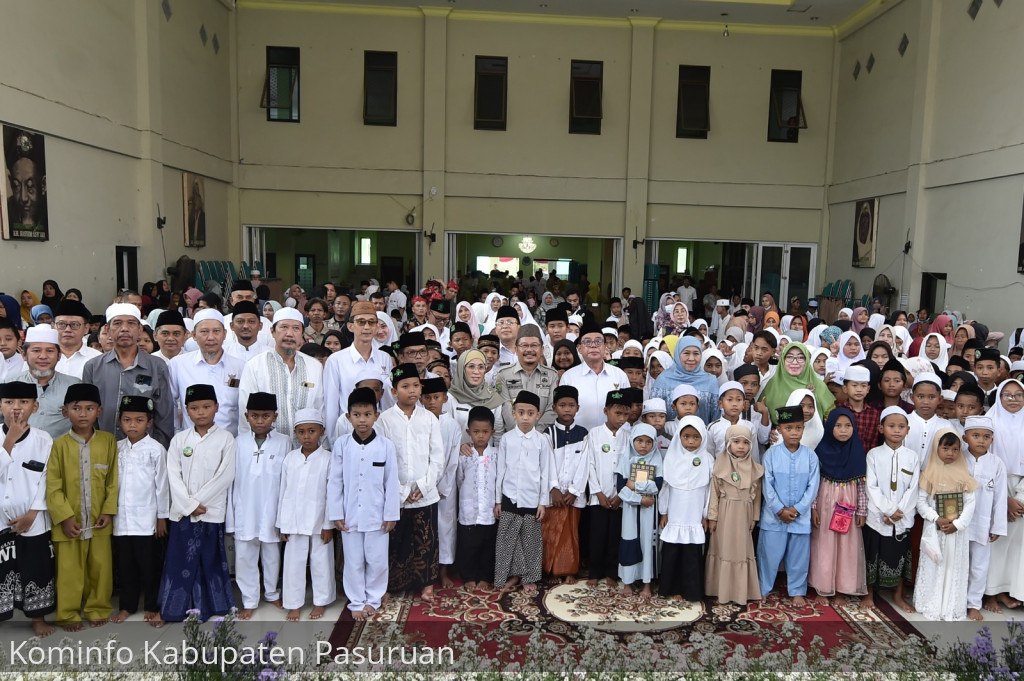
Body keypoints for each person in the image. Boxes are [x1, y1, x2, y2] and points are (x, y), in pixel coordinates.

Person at [155, 384, 236, 625]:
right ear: (186, 410)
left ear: (216, 407)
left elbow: (225, 476)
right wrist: (189, 505)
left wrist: (198, 502)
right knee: (180, 561)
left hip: (210, 512)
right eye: (194, 408)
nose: (200, 412)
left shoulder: (226, 439)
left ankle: (212, 607)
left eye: (206, 406)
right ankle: (172, 610)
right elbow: (173, 475)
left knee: (208, 560)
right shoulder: (180, 440)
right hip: (183, 513)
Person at [46, 382, 117, 631]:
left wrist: (108, 511)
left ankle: (98, 608)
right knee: (68, 571)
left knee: (101, 569)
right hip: (69, 522)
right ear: (65, 412)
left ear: (99, 411)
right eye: (76, 408)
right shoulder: (58, 445)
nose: (83, 414)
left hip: (99, 520)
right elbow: (53, 486)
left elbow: (113, 481)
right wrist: (65, 518)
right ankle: (68, 614)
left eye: (89, 408)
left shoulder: (108, 442)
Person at [330, 387, 399, 619]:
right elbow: (335, 481)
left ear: (376, 416)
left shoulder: (386, 446)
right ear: (348, 416)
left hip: (377, 516)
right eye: (357, 415)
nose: (362, 420)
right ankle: (357, 601)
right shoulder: (341, 445)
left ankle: (373, 599)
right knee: (353, 561)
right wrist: (336, 513)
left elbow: (391, 482)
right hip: (349, 515)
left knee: (377, 560)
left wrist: (391, 514)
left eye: (367, 414)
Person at [377, 363, 444, 602]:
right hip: (397, 493)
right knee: (396, 541)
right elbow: (382, 459)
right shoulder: (384, 420)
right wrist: (402, 490)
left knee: (426, 540)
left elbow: (437, 457)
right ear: (394, 391)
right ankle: (392, 584)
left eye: (416, 385)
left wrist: (424, 486)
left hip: (425, 493)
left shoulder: (429, 418)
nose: (412, 390)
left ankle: (426, 584)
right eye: (405, 386)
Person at [0, 381, 56, 636]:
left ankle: (38, 618)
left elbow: (47, 479)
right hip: (1, 519)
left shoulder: (44, 440)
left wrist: (33, 514)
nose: (16, 408)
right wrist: (9, 441)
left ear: (35, 407)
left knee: (36, 568)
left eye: (23, 402)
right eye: (9, 402)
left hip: (33, 520)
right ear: (0, 406)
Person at [229, 392, 289, 620]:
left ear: (275, 416)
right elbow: (231, 481)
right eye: (255, 416)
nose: (260, 420)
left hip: (272, 509)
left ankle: (272, 593)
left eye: (266, 415)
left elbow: (287, 480)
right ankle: (249, 600)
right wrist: (231, 516)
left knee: (272, 554)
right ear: (246, 416)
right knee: (244, 556)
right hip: (244, 509)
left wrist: (284, 516)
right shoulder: (237, 443)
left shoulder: (284, 442)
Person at [111, 395, 168, 624]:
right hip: (121, 521)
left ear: (149, 422)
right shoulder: (116, 449)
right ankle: (127, 606)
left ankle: (152, 605)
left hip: (147, 521)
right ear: (120, 422)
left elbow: (162, 486)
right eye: (127, 420)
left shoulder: (156, 450)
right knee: (125, 567)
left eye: (139, 420)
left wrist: (162, 517)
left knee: (150, 567)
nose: (132, 425)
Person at [83, 304, 174, 447]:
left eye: (131, 323)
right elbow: (88, 413)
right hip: (103, 449)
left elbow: (164, 414)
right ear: (107, 329)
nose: (124, 328)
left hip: (145, 451)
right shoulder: (93, 367)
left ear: (140, 329)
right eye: (117, 323)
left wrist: (158, 448)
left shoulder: (157, 366)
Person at [757, 405, 820, 606]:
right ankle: (763, 588)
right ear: (780, 429)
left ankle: (797, 590)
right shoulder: (771, 455)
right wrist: (779, 509)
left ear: (803, 429)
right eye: (788, 428)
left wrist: (797, 509)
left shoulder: (810, 457)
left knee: (799, 557)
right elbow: (767, 485)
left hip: (800, 518)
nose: (794, 432)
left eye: (798, 428)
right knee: (768, 555)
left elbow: (813, 487)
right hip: (774, 517)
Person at [912, 429, 977, 620]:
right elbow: (920, 502)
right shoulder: (929, 474)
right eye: (945, 448)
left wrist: (958, 524)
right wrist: (936, 518)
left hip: (956, 532)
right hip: (935, 529)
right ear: (936, 448)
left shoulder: (964, 474)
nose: (950, 453)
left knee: (952, 566)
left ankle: (950, 606)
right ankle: (930, 603)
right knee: (934, 564)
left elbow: (971, 502)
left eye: (955, 449)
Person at [278, 409, 335, 621]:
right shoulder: (290, 459)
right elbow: (283, 492)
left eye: (312, 431)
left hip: (320, 520)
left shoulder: (328, 459)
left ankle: (321, 601)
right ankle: (293, 603)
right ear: (296, 433)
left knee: (321, 562)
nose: (307, 436)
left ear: (322, 431)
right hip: (293, 520)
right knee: (293, 563)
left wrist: (328, 524)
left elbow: (332, 494)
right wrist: (282, 524)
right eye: (301, 432)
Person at [808, 408, 868, 607]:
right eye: (838, 426)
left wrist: (862, 511)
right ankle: (823, 586)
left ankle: (841, 589)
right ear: (829, 428)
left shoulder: (857, 453)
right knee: (824, 545)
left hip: (848, 506)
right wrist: (813, 508)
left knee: (845, 546)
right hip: (825, 506)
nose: (843, 430)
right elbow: (814, 483)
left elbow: (861, 485)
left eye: (848, 426)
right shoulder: (821, 452)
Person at [493, 390, 551, 595]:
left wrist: (543, 502)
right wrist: (498, 500)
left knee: (530, 541)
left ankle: (529, 577)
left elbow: (545, 472)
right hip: (510, 496)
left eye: (530, 413)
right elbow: (500, 471)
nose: (525, 417)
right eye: (521, 412)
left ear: (538, 415)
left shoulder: (542, 440)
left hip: (532, 498)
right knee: (507, 540)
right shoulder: (507, 439)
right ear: (514, 414)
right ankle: (508, 575)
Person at [238, 307, 324, 442]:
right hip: (268, 448)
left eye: (296, 328)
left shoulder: (314, 367)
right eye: (284, 327)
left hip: (305, 449)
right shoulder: (255, 366)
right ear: (272, 332)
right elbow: (246, 410)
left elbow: (320, 409)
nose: (289, 334)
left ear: (302, 333)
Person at [863, 406, 919, 613]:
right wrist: (888, 510)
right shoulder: (874, 455)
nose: (896, 430)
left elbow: (913, 488)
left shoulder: (912, 457)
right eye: (891, 426)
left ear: (908, 430)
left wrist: (898, 513)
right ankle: (868, 593)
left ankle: (898, 595)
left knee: (900, 556)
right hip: (877, 517)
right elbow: (871, 486)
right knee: (872, 555)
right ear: (881, 428)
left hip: (902, 518)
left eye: (901, 427)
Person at [955, 416, 1007, 620]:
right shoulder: (957, 458)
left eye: (986, 437)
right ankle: (955, 601)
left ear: (992, 440)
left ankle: (973, 604)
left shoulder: (997, 464)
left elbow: (1000, 498)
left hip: (983, 524)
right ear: (965, 437)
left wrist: (997, 526)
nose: (981, 440)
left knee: (979, 566)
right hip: (958, 522)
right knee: (958, 564)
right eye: (975, 435)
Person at [705, 425, 763, 605]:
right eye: (736, 442)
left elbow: (757, 497)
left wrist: (754, 517)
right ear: (728, 443)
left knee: (741, 550)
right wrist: (712, 517)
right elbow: (714, 494)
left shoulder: (755, 469)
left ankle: (740, 592)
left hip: (744, 515)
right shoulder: (719, 466)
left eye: (746, 442)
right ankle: (720, 590)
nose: (741, 446)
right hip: (725, 514)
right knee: (723, 548)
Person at [654, 416, 708, 602]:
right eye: (686, 437)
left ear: (703, 438)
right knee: (672, 552)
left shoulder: (708, 459)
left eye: (696, 437)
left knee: (691, 554)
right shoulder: (671, 458)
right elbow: (665, 488)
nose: (691, 441)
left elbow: (709, 491)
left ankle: (691, 591)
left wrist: (705, 515)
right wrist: (664, 512)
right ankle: (670, 588)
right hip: (675, 512)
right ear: (679, 437)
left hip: (694, 513)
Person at [168, 309, 245, 437]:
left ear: (225, 334)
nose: (211, 337)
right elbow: (170, 404)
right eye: (204, 332)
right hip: (191, 441)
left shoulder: (240, 366)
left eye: (216, 331)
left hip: (231, 442)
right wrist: (177, 433)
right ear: (194, 335)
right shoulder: (178, 364)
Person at [983, 379, 1024, 612]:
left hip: (1022, 488)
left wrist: (1020, 497)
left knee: (1017, 545)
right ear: (998, 398)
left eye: (1018, 395)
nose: (1013, 399)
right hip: (995, 485)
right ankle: (991, 593)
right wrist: (1005, 500)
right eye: (1007, 395)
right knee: (995, 540)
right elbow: (983, 459)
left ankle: (1010, 589)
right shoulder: (990, 423)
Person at [584, 389, 631, 587]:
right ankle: (595, 571)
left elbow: (631, 468)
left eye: (626, 414)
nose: (621, 418)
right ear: (606, 411)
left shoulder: (629, 436)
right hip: (599, 497)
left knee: (615, 535)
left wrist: (621, 495)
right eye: (617, 413)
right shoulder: (594, 434)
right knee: (597, 536)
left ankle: (612, 572)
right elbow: (589, 465)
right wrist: (598, 493)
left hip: (620, 498)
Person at [4, 324, 80, 440]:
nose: (43, 356)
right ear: (24, 355)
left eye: (50, 351)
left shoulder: (74, 386)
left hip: (61, 451)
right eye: (36, 350)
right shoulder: (9, 384)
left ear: (59, 356)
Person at [419, 377, 461, 589]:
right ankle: (424, 573)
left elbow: (453, 460)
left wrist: (443, 487)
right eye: (427, 398)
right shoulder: (419, 422)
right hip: (422, 487)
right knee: (424, 530)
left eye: (436, 397)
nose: (432, 402)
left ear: (445, 398)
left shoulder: (451, 425)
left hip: (445, 488)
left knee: (445, 529)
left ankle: (443, 571)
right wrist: (424, 485)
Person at [615, 423, 662, 598]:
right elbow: (621, 488)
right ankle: (628, 582)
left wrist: (635, 485)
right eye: (639, 441)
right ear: (632, 441)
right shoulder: (626, 459)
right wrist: (640, 499)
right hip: (631, 510)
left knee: (647, 543)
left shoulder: (656, 459)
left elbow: (657, 486)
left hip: (650, 511)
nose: (644, 445)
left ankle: (646, 584)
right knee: (629, 542)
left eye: (648, 442)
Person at [455, 406, 499, 592]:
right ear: (468, 432)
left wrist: (498, 502)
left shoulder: (496, 454)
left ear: (492, 432)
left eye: (485, 432)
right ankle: (469, 576)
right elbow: (459, 480)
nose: (480, 436)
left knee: (488, 546)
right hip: (469, 509)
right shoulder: (463, 455)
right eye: (476, 431)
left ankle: (485, 576)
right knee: (468, 546)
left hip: (489, 509)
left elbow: (499, 480)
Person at [495, 326, 557, 439]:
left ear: (542, 349)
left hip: (542, 438)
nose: (529, 350)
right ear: (516, 349)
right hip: (512, 439)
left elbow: (552, 408)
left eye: (534, 345)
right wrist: (519, 434)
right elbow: (505, 407)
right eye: (524, 345)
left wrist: (536, 434)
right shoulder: (503, 375)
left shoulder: (552, 375)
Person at [649, 336, 722, 425]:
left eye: (696, 353)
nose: (691, 358)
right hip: (668, 433)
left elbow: (716, 417)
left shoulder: (710, 381)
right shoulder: (663, 379)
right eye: (686, 353)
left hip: (702, 433)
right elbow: (653, 413)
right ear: (677, 354)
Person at [53, 299, 101, 379]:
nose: (68, 329)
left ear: (86, 328)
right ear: (53, 327)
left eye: (74, 324)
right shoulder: (42, 358)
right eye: (61, 324)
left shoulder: (97, 359)